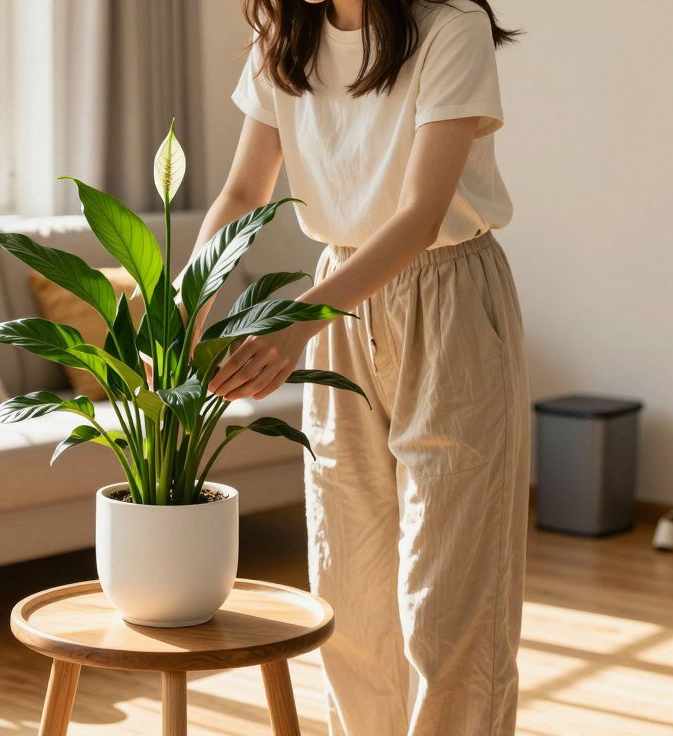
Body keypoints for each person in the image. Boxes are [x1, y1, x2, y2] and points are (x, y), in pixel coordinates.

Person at [191, 1, 528, 733]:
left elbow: (419, 213)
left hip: (447, 300)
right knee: (351, 589)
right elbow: (244, 193)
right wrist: (184, 310)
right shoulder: (285, 37)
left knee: (449, 603)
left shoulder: (451, 28)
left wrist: (293, 326)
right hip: (340, 297)